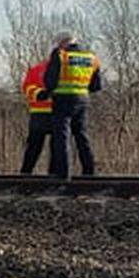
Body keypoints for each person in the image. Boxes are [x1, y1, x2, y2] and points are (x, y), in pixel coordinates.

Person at [41, 32, 103, 178]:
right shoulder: (91, 57)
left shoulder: (60, 55)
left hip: (63, 100)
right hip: (83, 100)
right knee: (81, 135)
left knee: (62, 137)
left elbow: (50, 80)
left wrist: (46, 93)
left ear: (63, 43)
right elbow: (96, 86)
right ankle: (89, 171)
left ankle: (63, 174)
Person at [16, 58, 52, 174]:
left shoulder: (37, 68)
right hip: (56, 113)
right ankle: (54, 177)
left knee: (34, 147)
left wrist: (38, 94)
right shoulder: (66, 69)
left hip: (39, 112)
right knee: (57, 148)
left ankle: (25, 174)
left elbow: (27, 87)